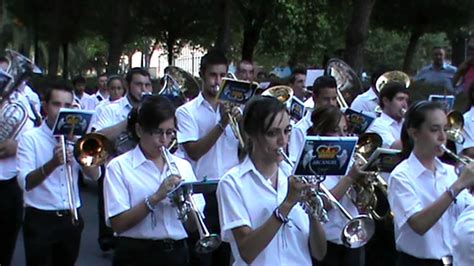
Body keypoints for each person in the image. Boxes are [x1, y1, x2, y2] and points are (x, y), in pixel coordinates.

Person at [217, 95, 327, 265]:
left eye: (287, 130)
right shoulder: (232, 183)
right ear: (251, 134)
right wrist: (287, 204)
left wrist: (314, 213)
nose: (283, 141)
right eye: (272, 133)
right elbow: (247, 251)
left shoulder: (294, 175)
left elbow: (319, 253)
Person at [103, 95, 204, 266]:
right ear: (140, 130)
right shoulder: (118, 167)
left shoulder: (183, 166)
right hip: (135, 254)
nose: (164, 140)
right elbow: (118, 224)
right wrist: (156, 197)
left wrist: (185, 205)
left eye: (170, 132)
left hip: (176, 253)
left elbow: (193, 226)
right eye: (157, 132)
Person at [16, 83, 101, 266]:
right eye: (56, 104)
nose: (63, 111)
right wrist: (53, 163)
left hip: (71, 217)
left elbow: (95, 175)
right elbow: (26, 183)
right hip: (40, 218)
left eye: (68, 106)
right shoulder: (30, 138)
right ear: (45, 106)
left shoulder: (79, 139)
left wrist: (80, 150)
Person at [388, 101, 474, 266]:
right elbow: (419, 225)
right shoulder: (401, 176)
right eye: (434, 130)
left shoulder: (450, 172)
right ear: (415, 133)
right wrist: (457, 186)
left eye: (445, 129)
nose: (443, 137)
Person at [176, 50, 240, 265]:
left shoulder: (237, 109)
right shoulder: (186, 112)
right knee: (201, 258)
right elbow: (193, 151)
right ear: (202, 75)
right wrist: (222, 124)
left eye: (223, 76)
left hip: (230, 190)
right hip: (202, 192)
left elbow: (248, 149)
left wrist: (243, 125)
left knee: (225, 256)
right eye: (213, 75)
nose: (218, 81)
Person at [92, 68, 153, 251]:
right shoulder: (110, 110)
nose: (143, 89)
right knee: (119, 228)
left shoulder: (154, 109)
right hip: (117, 170)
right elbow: (96, 139)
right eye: (138, 84)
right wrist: (129, 121)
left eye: (147, 85)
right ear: (127, 85)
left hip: (147, 169)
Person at [307, 105, 367, 266]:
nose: (342, 136)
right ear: (321, 132)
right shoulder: (310, 163)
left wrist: (364, 193)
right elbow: (322, 205)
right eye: (336, 131)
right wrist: (349, 178)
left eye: (345, 130)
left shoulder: (350, 159)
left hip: (354, 240)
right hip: (328, 242)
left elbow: (361, 205)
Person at [0, 81, 38, 266]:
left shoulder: (24, 103)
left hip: (9, 179)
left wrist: (18, 146)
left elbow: (37, 133)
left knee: (6, 238)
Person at [289, 75, 338, 162]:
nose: (331, 104)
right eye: (326, 99)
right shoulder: (300, 129)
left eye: (334, 99)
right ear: (314, 98)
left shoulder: (340, 125)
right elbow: (295, 164)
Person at [367, 82, 409, 149]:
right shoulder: (377, 125)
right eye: (400, 99)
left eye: (406, 100)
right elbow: (394, 147)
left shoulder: (406, 123)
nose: (404, 105)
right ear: (386, 101)